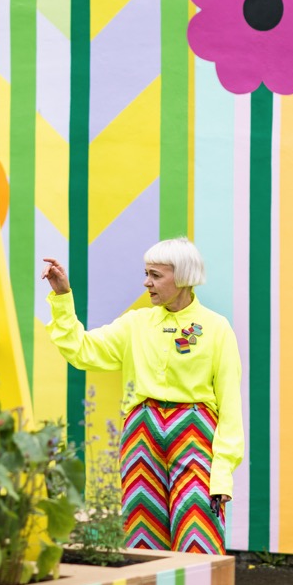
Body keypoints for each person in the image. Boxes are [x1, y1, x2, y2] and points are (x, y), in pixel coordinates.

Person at [42, 237, 243, 554]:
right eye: (146, 273)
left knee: (197, 532)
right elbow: (82, 351)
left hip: (194, 439)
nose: (146, 283)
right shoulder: (136, 324)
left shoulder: (217, 329)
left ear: (183, 278)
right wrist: (63, 297)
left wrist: (221, 476)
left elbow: (231, 408)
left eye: (155, 275)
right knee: (142, 538)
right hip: (141, 437)